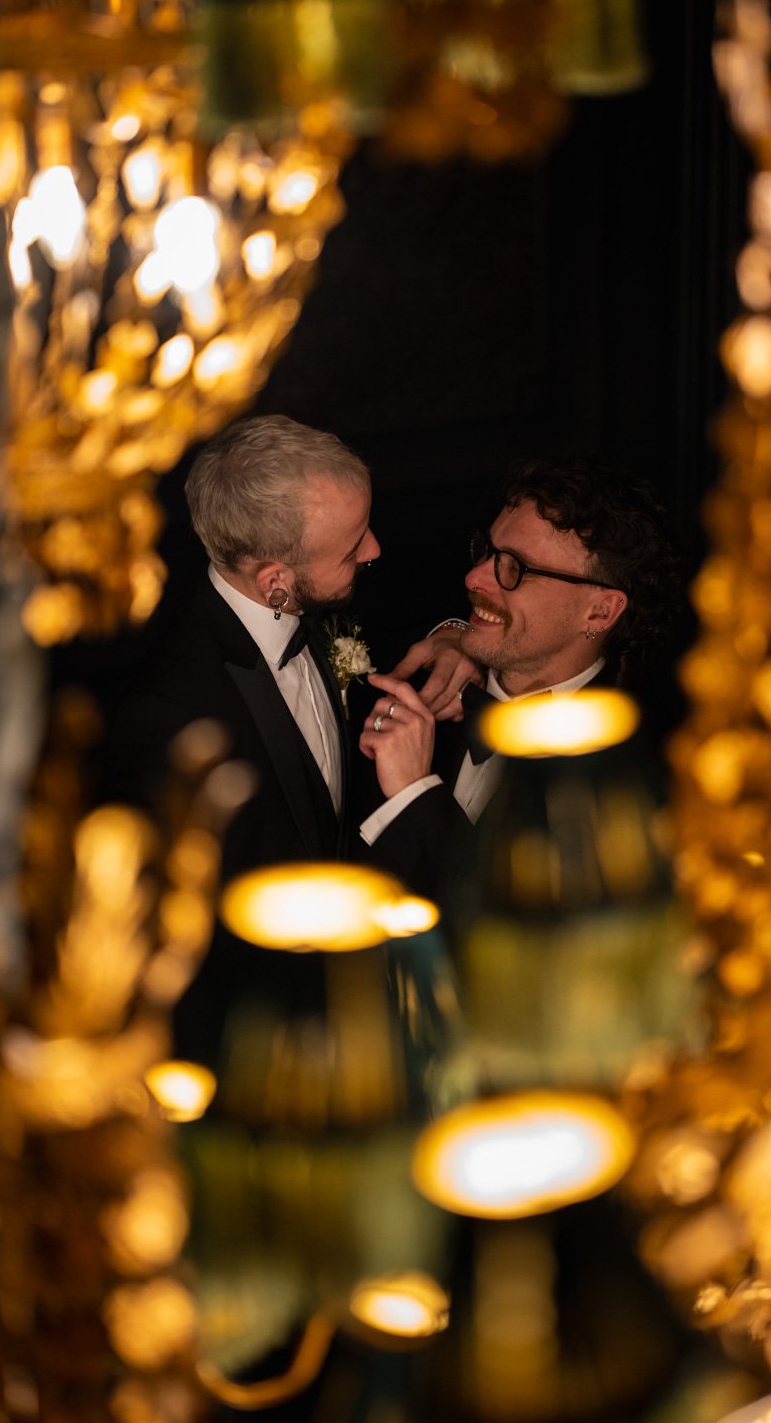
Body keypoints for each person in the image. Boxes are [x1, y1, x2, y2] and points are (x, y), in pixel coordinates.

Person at [103, 412, 380, 1059]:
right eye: (353, 545)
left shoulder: (322, 609)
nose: (374, 551)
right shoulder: (173, 715)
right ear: (274, 581)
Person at [357, 454, 686, 896]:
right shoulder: (408, 678)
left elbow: (516, 944)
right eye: (488, 552)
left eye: (515, 568)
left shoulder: (632, 779)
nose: (474, 578)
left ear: (600, 610)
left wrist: (414, 793)